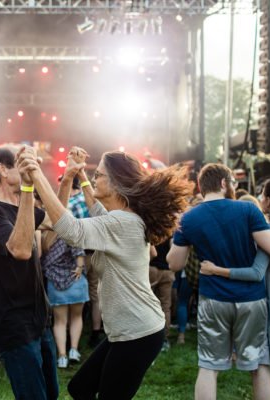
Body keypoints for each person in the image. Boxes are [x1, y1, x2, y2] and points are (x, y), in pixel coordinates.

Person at [18, 146, 191, 400]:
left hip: (138, 333)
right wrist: (82, 177)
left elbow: (72, 229)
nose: (94, 177)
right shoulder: (123, 217)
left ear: (116, 182)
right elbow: (98, 210)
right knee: (80, 388)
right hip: (128, 331)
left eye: (98, 174)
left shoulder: (123, 222)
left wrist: (36, 174)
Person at [167, 163, 270, 400]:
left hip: (213, 300)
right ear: (223, 183)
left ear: (202, 186)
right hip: (252, 299)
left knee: (209, 367)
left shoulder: (189, 218)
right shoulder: (248, 211)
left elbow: (175, 264)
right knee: (260, 366)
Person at [0, 145, 57, 400]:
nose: (27, 169)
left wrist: (66, 183)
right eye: (21, 164)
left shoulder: (24, 206)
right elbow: (21, 250)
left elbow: (57, 224)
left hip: (39, 316)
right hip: (14, 321)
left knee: (51, 394)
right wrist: (28, 189)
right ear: (2, 169)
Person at [38, 208, 87, 369]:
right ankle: (73, 350)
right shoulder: (71, 233)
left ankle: (62, 356)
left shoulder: (46, 236)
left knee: (59, 322)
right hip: (75, 279)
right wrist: (79, 267)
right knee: (77, 317)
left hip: (54, 281)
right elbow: (79, 252)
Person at [66, 176, 103, 347]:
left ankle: (70, 336)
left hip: (76, 256)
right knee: (95, 294)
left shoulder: (68, 204)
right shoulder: (89, 200)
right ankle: (95, 332)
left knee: (72, 295)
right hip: (95, 251)